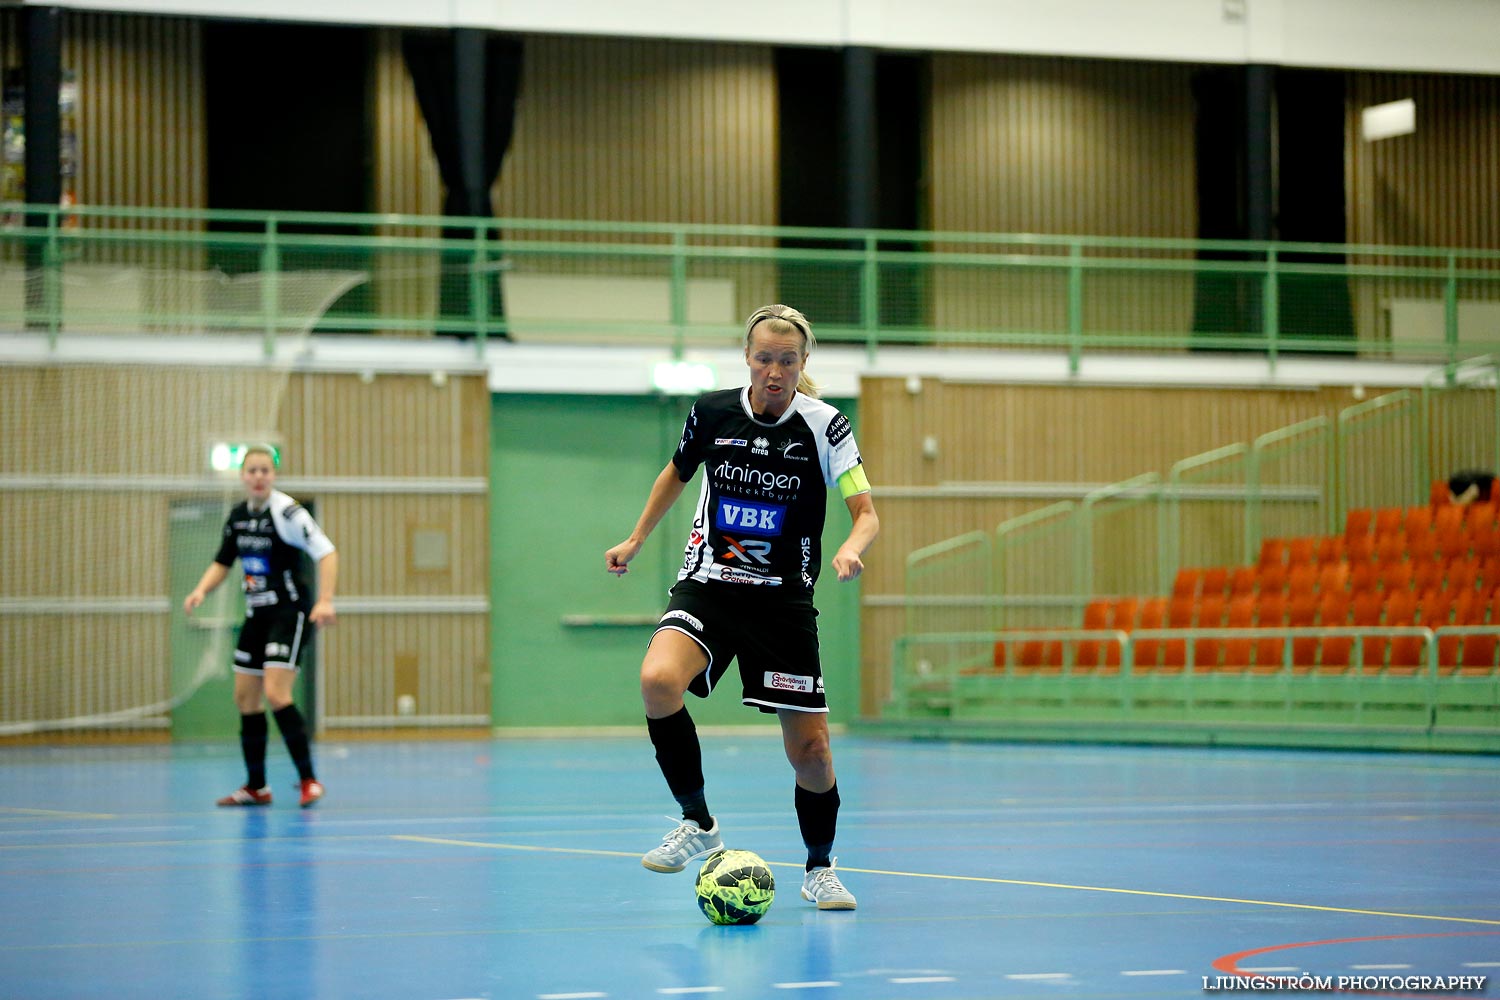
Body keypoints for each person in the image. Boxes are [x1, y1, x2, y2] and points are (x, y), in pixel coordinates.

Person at [605, 304, 879, 911]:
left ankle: (819, 868)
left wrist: (851, 548)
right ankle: (698, 823)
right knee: (657, 680)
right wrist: (637, 538)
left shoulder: (827, 426)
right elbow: (676, 473)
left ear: (803, 363)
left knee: (812, 753)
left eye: (788, 360)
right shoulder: (712, 411)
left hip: (782, 605)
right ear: (748, 360)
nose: (775, 371)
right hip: (712, 583)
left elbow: (866, 510)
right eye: (764, 359)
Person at [183, 445, 338, 808]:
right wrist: (200, 591)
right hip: (256, 614)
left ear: (273, 476)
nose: (258, 477)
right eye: (251, 470)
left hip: (289, 613)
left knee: (277, 693)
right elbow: (222, 561)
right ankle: (257, 786)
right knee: (245, 698)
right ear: (242, 476)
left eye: (264, 470)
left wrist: (325, 600)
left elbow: (327, 552)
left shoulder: (287, 513)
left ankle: (309, 780)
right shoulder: (237, 517)